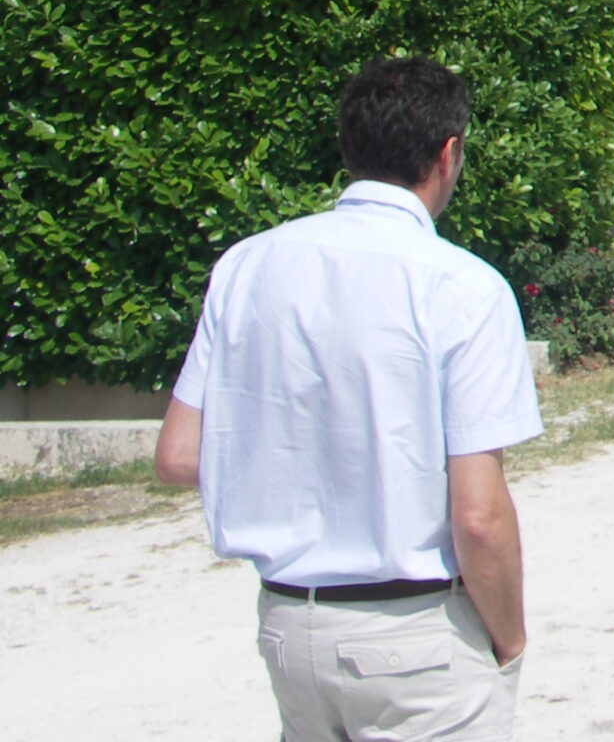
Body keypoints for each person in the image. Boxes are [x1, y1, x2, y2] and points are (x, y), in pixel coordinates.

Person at [156, 56, 543, 740]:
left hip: (287, 625)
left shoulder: (247, 264)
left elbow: (181, 454)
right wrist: (509, 640)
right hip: (415, 636)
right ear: (448, 152)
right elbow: (479, 516)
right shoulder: (463, 287)